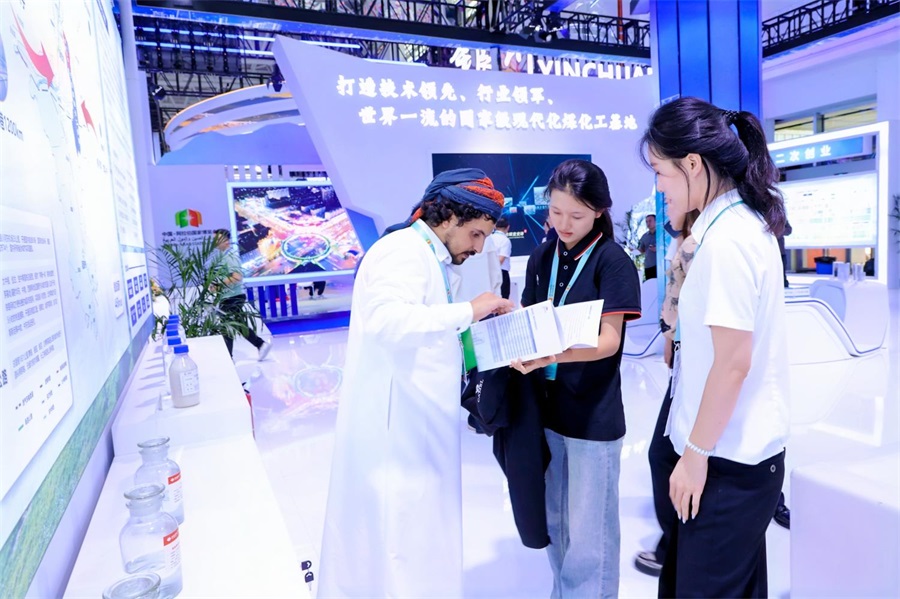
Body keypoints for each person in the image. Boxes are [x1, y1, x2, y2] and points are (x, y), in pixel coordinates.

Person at [318, 169, 512, 598]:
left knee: (417, 535)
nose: (479, 248)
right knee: (399, 537)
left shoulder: (427, 255)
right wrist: (468, 310)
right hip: (398, 429)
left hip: (420, 419)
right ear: (450, 217)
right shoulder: (402, 251)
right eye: (476, 234)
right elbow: (388, 321)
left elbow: (426, 326)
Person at [641, 97, 790, 598]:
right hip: (727, 454)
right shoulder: (726, 229)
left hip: (728, 462)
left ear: (692, 164)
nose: (659, 187)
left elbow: (732, 364)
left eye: (660, 172)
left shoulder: (728, 241)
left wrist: (695, 455)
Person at [511, 159, 642, 599]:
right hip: (546, 411)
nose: (564, 224)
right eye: (556, 212)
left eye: (577, 215)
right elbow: (532, 318)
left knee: (591, 533)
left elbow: (608, 341)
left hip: (592, 415)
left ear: (600, 212)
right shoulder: (542, 255)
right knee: (557, 523)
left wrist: (551, 354)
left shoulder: (613, 261)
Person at [634, 206, 699, 578]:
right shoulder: (684, 240)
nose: (661, 208)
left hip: (696, 356)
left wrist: (674, 337)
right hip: (684, 351)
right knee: (666, 452)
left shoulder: (699, 242)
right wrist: (671, 337)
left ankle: (675, 545)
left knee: (665, 454)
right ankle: (674, 543)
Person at [213, 229, 271, 361]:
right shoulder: (224, 256)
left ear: (226, 241)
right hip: (228, 296)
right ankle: (260, 344)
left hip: (232, 297)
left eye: (217, 239)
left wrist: (219, 285)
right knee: (236, 324)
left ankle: (229, 358)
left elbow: (237, 276)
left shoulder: (230, 256)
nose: (214, 242)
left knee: (227, 327)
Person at [491, 216, 512, 299]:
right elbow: (501, 259)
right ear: (508, 227)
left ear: (495, 226)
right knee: (503, 298)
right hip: (501, 273)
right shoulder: (505, 240)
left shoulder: (489, 238)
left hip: (490, 272)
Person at [638, 213, 658, 279]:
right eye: (646, 221)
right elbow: (642, 250)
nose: (648, 223)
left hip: (659, 265)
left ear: (656, 221)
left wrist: (657, 249)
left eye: (650, 221)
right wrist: (634, 250)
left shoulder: (662, 234)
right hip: (648, 266)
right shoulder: (644, 236)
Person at [778, 220, 793, 287]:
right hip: (768, 251)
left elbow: (789, 230)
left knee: (782, 273)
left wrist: (779, 232)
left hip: (781, 251)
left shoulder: (780, 217)